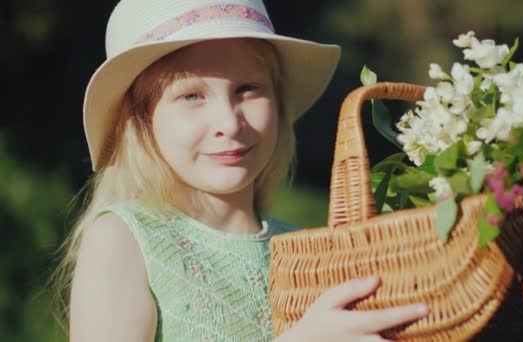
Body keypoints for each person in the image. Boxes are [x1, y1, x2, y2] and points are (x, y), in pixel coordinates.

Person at [53, 0, 429, 341]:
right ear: (141, 120)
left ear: (279, 103)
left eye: (248, 89)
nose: (229, 124)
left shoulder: (305, 249)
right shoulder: (125, 240)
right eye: (191, 96)